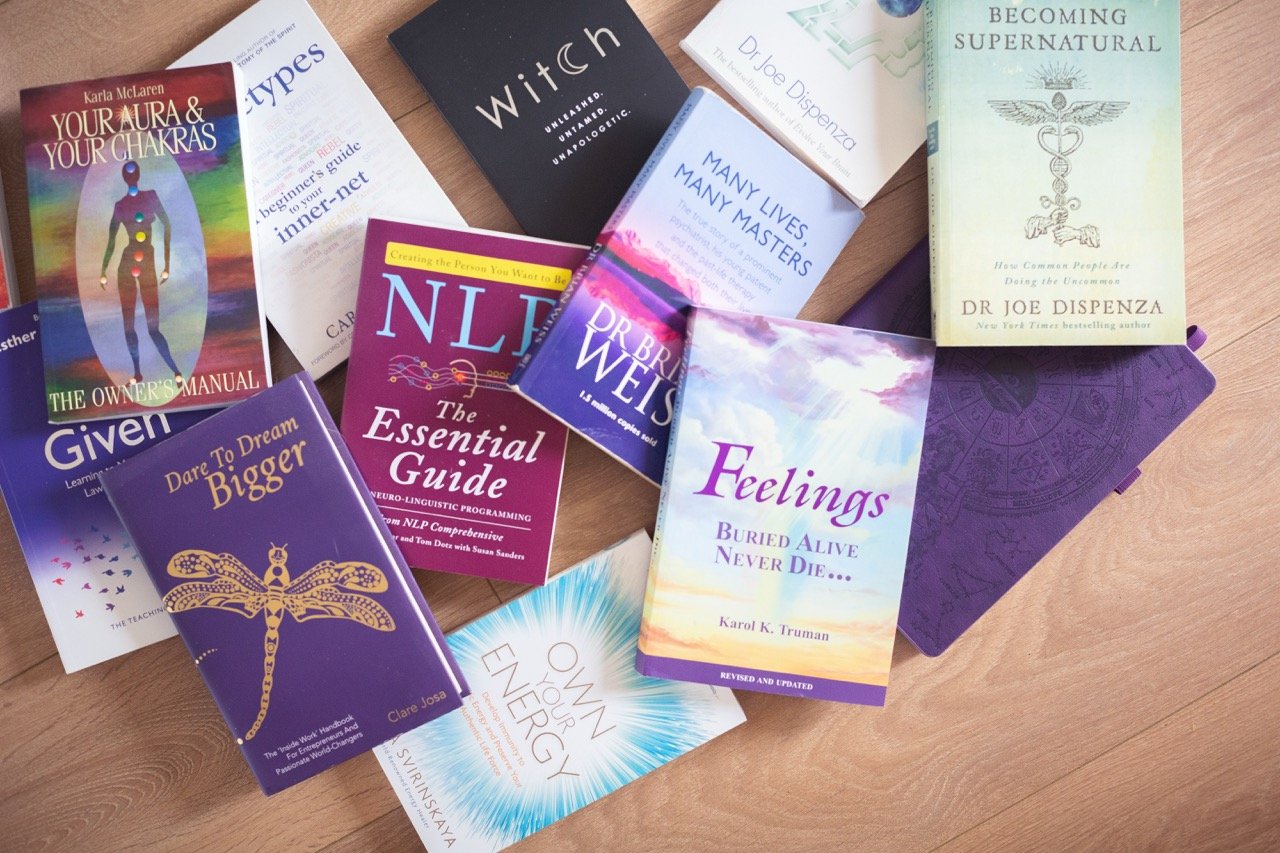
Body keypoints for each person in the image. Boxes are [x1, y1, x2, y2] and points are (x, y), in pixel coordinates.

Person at [99, 159, 182, 387]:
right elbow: (112, 241)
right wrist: (103, 270)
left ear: (137, 175)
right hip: (126, 266)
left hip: (146, 263)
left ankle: (175, 370)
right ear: (126, 177)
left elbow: (167, 225)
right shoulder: (120, 205)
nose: (131, 175)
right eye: (128, 171)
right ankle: (137, 374)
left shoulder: (151, 196)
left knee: (153, 327)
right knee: (128, 326)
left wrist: (166, 265)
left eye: (132, 170)